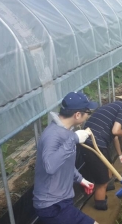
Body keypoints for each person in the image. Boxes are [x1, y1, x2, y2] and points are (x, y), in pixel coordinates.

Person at [33, 92, 99, 224]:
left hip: (61, 200)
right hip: (52, 205)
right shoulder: (52, 135)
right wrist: (74, 139)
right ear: (78, 115)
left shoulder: (65, 131)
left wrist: (80, 179)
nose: (88, 116)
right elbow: (50, 167)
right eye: (87, 112)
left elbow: (64, 162)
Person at [81, 88, 122, 211]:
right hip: (94, 143)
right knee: (101, 182)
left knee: (108, 168)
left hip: (87, 140)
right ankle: (101, 207)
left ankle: (107, 186)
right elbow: (116, 131)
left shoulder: (114, 106)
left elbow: (114, 136)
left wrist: (120, 156)